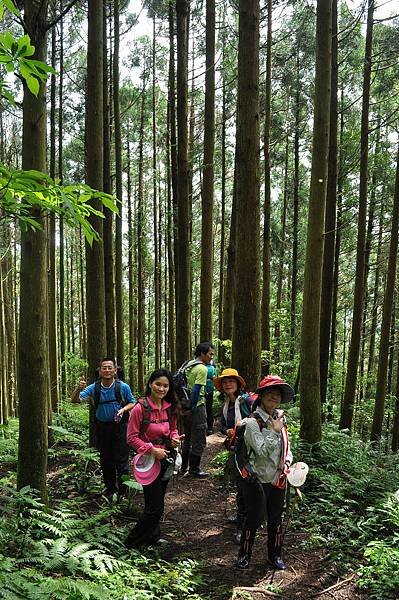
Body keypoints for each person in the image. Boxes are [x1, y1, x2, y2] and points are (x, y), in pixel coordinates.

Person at [236, 374, 294, 571]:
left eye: (277, 394)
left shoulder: (280, 419)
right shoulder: (251, 423)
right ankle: (244, 555)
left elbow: (287, 447)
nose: (274, 397)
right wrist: (274, 431)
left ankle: (275, 555)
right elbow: (260, 452)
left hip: (278, 478)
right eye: (269, 393)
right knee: (254, 518)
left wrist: (287, 462)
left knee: (276, 519)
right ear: (261, 396)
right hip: (256, 479)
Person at [125, 369, 184, 548]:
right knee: (155, 507)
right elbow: (131, 437)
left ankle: (153, 536)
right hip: (148, 463)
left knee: (157, 502)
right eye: (158, 384)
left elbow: (173, 428)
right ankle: (132, 543)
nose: (161, 388)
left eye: (165, 385)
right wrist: (151, 450)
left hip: (166, 459)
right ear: (150, 384)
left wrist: (174, 438)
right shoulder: (140, 408)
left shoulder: (170, 407)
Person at [71, 357, 135, 500]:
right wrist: (78, 389)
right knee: (106, 459)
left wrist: (123, 410)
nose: (107, 370)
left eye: (109, 368)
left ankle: (123, 491)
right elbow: (75, 401)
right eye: (104, 368)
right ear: (100, 371)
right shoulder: (94, 387)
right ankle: (110, 488)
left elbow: (132, 402)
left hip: (120, 427)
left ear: (115, 370)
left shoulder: (122, 387)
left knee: (121, 459)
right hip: (102, 428)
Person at [214, 368, 253, 543]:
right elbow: (222, 426)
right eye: (224, 382)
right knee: (240, 485)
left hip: (250, 450)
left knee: (246, 487)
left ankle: (243, 528)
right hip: (236, 449)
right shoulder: (227, 404)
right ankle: (241, 518)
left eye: (231, 381)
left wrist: (240, 429)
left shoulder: (246, 401)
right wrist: (228, 431)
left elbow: (256, 420)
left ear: (238, 384)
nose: (227, 384)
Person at [181, 341, 215, 477]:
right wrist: (193, 406)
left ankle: (184, 467)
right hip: (197, 405)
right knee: (200, 437)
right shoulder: (202, 369)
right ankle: (194, 469)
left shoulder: (189, 365)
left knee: (188, 436)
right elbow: (196, 390)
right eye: (210, 354)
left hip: (185, 404)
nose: (211, 357)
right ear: (202, 353)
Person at [205, 360, 217, 435]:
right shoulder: (213, 368)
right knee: (209, 408)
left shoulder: (201, 366)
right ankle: (210, 428)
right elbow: (215, 378)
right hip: (210, 390)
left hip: (202, 389)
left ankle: (207, 427)